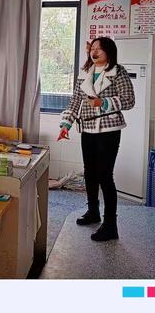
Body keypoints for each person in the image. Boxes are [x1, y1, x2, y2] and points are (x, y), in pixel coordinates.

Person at [58, 37, 135, 242]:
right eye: (93, 48)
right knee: (90, 173)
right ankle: (93, 212)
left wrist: (104, 102)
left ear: (109, 51)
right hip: (88, 129)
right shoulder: (84, 74)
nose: (95, 52)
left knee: (104, 175)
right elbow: (75, 101)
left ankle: (111, 225)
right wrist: (65, 125)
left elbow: (129, 101)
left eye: (99, 49)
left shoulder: (118, 72)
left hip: (109, 129)